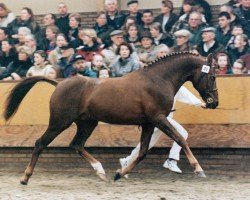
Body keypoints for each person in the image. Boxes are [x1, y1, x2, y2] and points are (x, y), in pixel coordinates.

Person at [119, 86, 206, 175]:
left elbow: (186, 94)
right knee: (182, 134)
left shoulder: (175, 87)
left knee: (147, 144)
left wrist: (200, 104)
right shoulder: (161, 85)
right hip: (162, 118)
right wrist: (200, 104)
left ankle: (127, 161)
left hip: (159, 119)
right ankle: (171, 160)